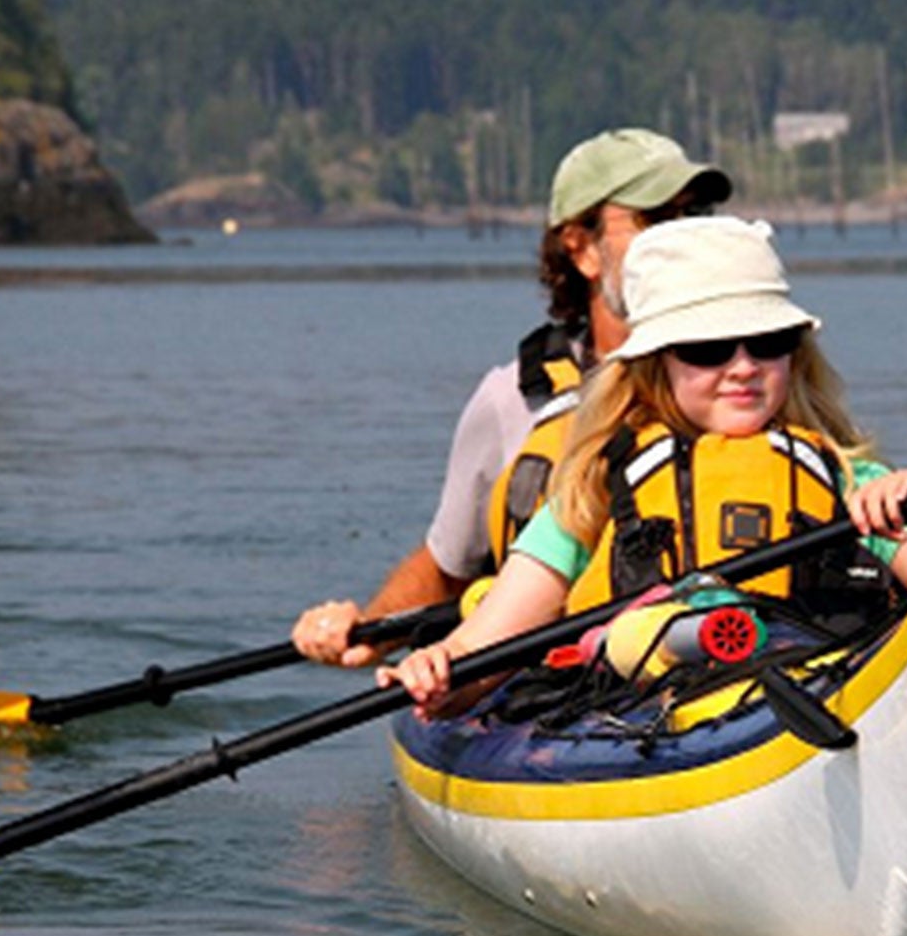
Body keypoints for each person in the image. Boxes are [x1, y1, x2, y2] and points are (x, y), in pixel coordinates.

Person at [381, 216, 907, 714]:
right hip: (642, 719)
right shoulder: (592, 493)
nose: (743, 367)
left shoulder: (849, 485)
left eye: (768, 341)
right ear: (654, 365)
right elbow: (485, 648)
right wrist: (439, 669)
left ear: (795, 355)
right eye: (707, 349)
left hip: (824, 698)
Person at [291, 128, 731, 667]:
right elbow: (449, 568)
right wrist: (367, 631)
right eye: (657, 218)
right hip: (569, 680)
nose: (686, 235)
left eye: (696, 213)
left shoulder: (753, 375)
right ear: (582, 249)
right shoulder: (512, 402)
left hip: (730, 654)